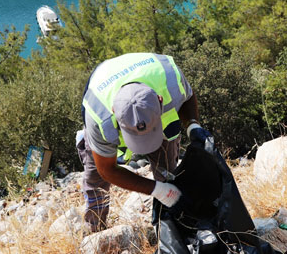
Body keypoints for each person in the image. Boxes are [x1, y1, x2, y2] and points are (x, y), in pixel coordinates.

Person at [77, 52, 212, 232]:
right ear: (113, 111)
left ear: (160, 100)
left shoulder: (170, 79)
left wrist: (193, 125)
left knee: (168, 173)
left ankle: (171, 227)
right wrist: (157, 190)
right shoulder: (98, 116)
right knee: (95, 180)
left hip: (155, 104)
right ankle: (94, 232)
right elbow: (107, 170)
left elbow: (187, 97)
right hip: (102, 97)